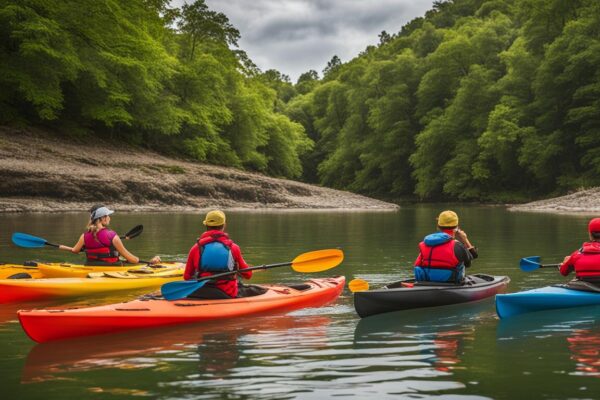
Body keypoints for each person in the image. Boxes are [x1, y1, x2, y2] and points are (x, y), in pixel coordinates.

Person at [183, 210, 253, 299]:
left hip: (201, 291)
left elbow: (187, 277)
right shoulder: (233, 248)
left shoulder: (195, 248)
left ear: (206, 225)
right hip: (226, 293)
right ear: (224, 225)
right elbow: (248, 275)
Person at [63, 205, 161, 265]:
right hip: (111, 269)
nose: (109, 218)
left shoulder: (84, 236)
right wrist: (150, 263)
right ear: (102, 218)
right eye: (108, 215)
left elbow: (75, 250)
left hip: (91, 267)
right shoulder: (113, 236)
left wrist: (62, 247)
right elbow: (131, 259)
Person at [413, 210, 478, 283]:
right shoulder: (457, 245)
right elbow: (469, 262)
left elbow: (417, 264)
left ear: (438, 227)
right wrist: (465, 240)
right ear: (456, 228)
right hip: (451, 283)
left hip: (428, 282)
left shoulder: (424, 244)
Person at [559, 218, 600, 282]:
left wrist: (564, 263)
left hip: (584, 287)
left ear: (590, 234)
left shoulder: (577, 254)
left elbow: (563, 272)